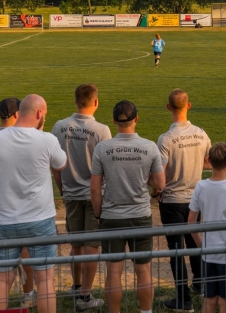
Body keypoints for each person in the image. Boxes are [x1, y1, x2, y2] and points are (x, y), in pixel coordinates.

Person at [0, 95, 67, 313]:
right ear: (40, 114)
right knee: (45, 281)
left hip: (5, 220)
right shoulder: (47, 139)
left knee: (2, 282)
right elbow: (61, 164)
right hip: (40, 220)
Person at [91, 100, 164, 313]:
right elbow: (160, 183)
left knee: (113, 271)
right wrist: (146, 180)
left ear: (114, 121)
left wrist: (98, 215)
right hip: (140, 214)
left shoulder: (103, 148)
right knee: (143, 270)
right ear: (136, 119)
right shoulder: (149, 147)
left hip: (112, 216)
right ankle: (146, 311)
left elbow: (95, 190)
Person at [52, 84, 111, 310]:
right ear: (95, 102)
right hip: (94, 195)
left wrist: (62, 189)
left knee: (76, 243)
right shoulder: (101, 130)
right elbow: (106, 165)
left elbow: (55, 165)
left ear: (75, 101)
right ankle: (85, 296)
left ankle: (77, 286)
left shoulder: (59, 126)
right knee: (92, 245)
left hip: (71, 193)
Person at [157, 89, 212, 311]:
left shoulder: (166, 139)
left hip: (171, 200)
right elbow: (210, 162)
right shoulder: (201, 133)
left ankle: (184, 299)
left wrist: (156, 189)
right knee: (194, 242)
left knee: (176, 250)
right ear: (188, 106)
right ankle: (200, 284)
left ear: (168, 107)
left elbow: (159, 175)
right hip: (195, 199)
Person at [0, 98, 35, 302]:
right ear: (16, 114)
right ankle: (28, 294)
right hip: (24, 203)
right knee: (26, 248)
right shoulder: (27, 137)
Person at [189, 143, 226, 313]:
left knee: (209, 299)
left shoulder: (200, 187)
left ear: (208, 161)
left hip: (209, 253)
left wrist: (202, 245)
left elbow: (191, 222)